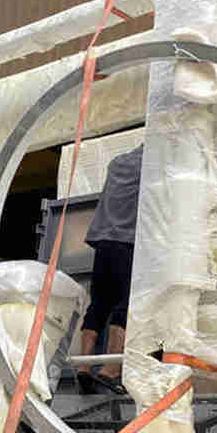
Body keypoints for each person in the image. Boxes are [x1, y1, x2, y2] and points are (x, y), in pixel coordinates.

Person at [78, 143, 142, 394]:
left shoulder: (117, 162)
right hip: (127, 242)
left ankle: (83, 367)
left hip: (103, 242)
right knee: (125, 304)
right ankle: (110, 370)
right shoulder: (152, 164)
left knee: (99, 304)